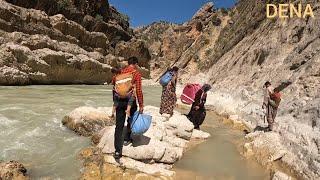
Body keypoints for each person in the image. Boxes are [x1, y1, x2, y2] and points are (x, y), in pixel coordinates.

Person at [113, 57, 144, 159]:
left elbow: (114, 85)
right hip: (130, 100)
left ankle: (117, 151)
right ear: (135, 64)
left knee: (119, 126)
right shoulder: (136, 73)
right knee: (131, 118)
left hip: (120, 101)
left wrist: (115, 102)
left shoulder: (120, 72)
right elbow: (138, 90)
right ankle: (127, 138)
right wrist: (141, 104)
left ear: (128, 63)